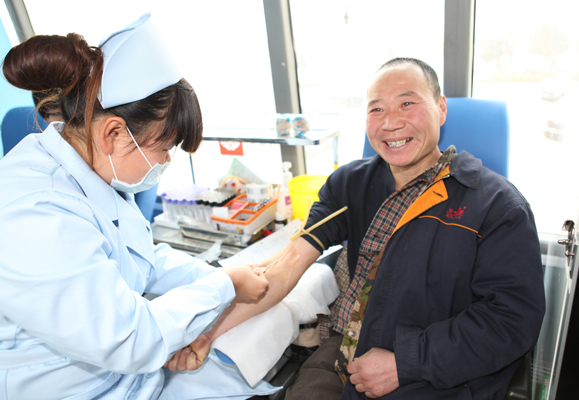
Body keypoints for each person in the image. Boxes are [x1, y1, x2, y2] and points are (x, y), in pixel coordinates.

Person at [0, 14, 278, 400]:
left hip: (124, 377)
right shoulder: (33, 213)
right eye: (164, 148)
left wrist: (216, 274)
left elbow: (139, 259)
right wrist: (224, 285)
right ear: (114, 133)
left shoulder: (92, 172)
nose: (165, 161)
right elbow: (127, 338)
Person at [278, 58, 546, 399]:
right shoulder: (351, 183)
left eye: (407, 103)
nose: (391, 123)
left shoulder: (498, 207)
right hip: (344, 350)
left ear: (441, 109)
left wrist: (406, 362)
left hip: (433, 374)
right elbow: (288, 260)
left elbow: (511, 321)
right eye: (377, 109)